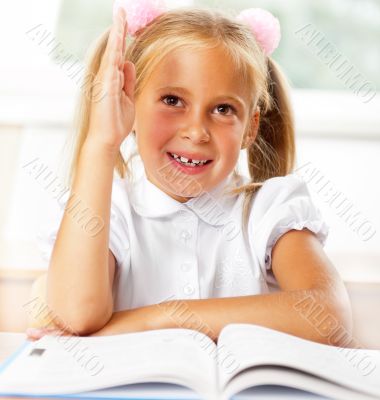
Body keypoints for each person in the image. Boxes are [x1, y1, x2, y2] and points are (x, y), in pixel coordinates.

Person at [26, 0, 352, 346]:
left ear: (250, 128)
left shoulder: (269, 209)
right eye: (172, 101)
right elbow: (76, 315)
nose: (196, 131)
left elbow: (329, 316)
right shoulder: (110, 209)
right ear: (129, 103)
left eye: (223, 109)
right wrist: (101, 143)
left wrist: (157, 318)